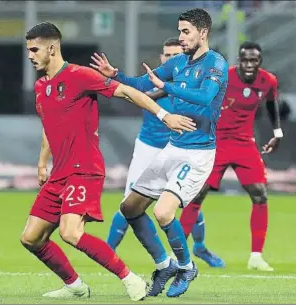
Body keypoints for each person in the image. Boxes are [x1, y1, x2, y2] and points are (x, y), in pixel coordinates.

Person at [20, 22, 196, 301]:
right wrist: (43, 162)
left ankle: (129, 278)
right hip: (60, 173)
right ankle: (75, 286)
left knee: (70, 232)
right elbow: (48, 126)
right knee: (30, 237)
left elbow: (127, 92)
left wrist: (165, 116)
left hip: (84, 169)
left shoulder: (80, 76)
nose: (30, 55)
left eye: (34, 49)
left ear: (51, 48)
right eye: (28, 49)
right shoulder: (42, 86)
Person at [91, 8, 228, 297]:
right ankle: (164, 264)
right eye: (180, 31)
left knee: (163, 212)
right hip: (173, 147)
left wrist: (167, 86)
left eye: (186, 31)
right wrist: (116, 75)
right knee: (129, 207)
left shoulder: (216, 63)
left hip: (198, 153)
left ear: (203, 33)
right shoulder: (178, 62)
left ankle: (186, 266)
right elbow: (143, 84)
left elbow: (205, 97)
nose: (181, 37)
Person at [106, 37, 225, 269]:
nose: (170, 59)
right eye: (166, 55)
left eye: (175, 55)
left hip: (182, 150)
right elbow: (135, 92)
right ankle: (108, 251)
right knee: (129, 202)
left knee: (184, 203)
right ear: (162, 58)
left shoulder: (189, 84)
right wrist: (115, 75)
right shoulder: (154, 85)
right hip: (149, 147)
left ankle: (198, 248)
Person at [179, 41, 282, 272]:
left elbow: (271, 103)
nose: (248, 64)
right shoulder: (224, 77)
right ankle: (178, 255)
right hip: (216, 143)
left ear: (260, 62)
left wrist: (277, 133)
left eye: (253, 60)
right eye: (244, 60)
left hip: (245, 143)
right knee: (197, 195)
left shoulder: (268, 81)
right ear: (239, 59)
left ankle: (256, 256)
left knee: (260, 194)